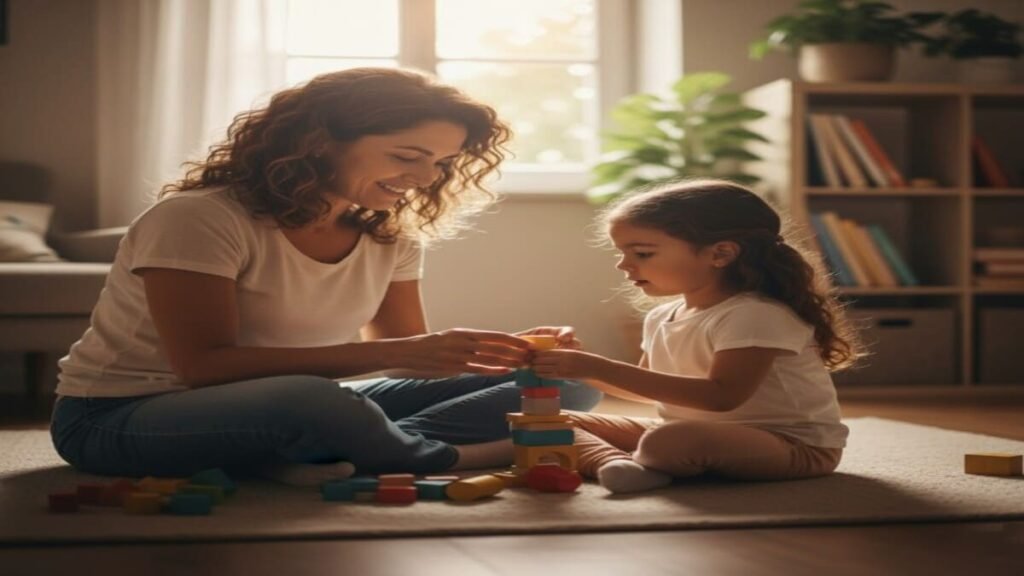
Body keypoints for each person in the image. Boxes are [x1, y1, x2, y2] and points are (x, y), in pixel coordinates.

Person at [50, 67, 600, 485]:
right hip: (116, 418)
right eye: (407, 155)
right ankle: (450, 458)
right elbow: (203, 367)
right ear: (318, 143)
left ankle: (335, 449)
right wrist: (402, 359)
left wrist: (507, 354)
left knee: (566, 382)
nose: (424, 177)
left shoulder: (391, 234)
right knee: (316, 403)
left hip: (300, 401)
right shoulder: (201, 217)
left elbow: (403, 352)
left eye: (441, 163)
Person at [530, 179, 861, 494]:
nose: (622, 265)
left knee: (670, 442)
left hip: (790, 444)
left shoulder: (754, 313)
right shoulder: (662, 316)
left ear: (720, 254)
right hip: (692, 434)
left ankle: (641, 462)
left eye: (642, 253)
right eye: (622, 253)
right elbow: (648, 387)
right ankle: (617, 464)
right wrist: (578, 366)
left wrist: (598, 367)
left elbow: (721, 397)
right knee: (552, 421)